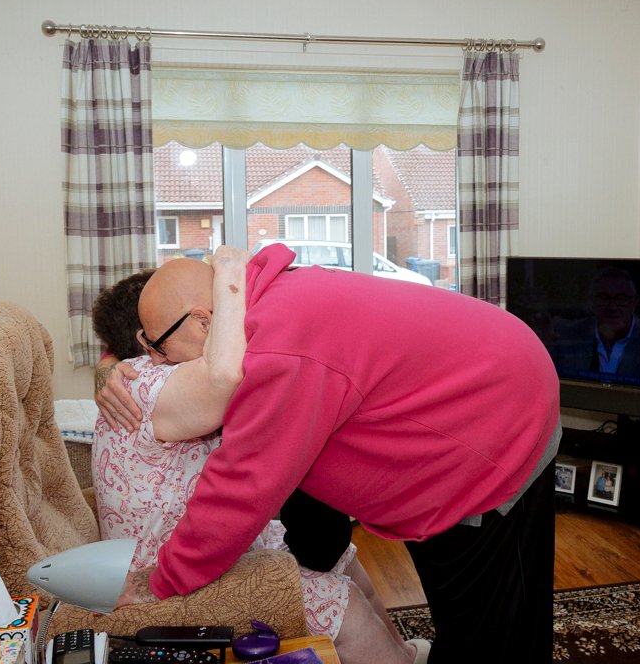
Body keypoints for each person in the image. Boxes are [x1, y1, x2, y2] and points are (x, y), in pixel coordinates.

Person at [98, 243, 562, 663]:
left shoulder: (280, 349)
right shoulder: (255, 304)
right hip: (464, 420)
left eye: (157, 347)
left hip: (495, 432)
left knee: (495, 631)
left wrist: (161, 581)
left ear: (202, 320)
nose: (157, 362)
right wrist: (113, 370)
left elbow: (243, 486)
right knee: (457, 603)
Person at [90, 250, 425, 664]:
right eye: (150, 343)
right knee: (339, 597)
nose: (159, 354)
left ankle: (404, 654)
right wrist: (230, 273)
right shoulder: (145, 384)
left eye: (159, 341)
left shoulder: (163, 370)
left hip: (208, 537)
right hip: (161, 566)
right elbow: (224, 375)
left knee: (343, 558)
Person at [547, 267, 640, 386]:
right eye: (603, 298)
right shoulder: (567, 334)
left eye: (621, 299)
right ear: (591, 302)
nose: (612, 307)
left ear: (634, 302)